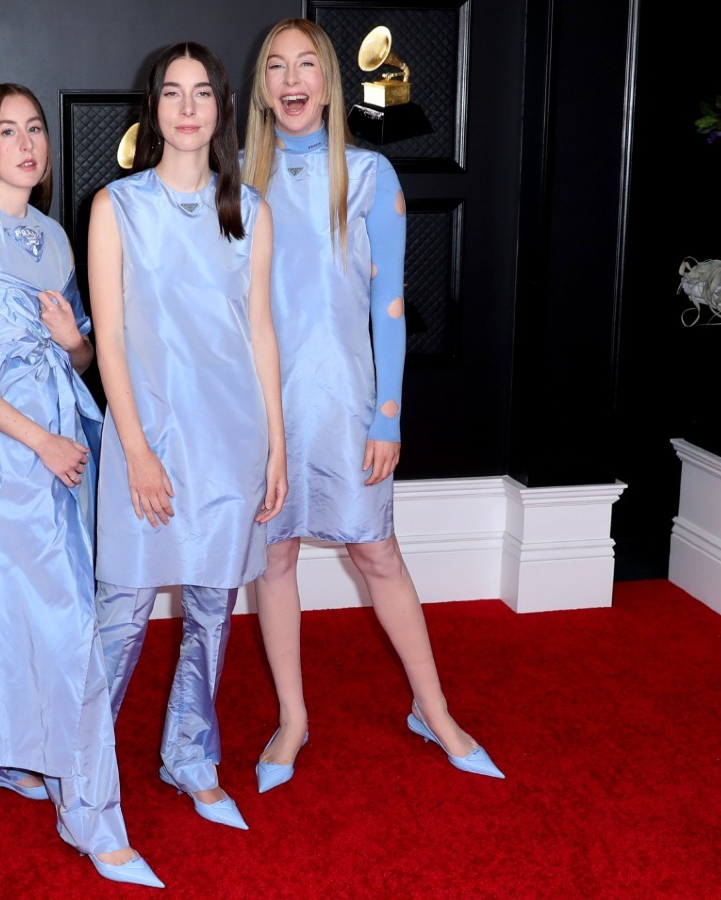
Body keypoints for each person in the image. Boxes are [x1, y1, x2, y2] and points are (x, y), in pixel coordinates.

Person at [0, 84, 163, 889]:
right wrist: (41, 440)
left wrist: (74, 340)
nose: (25, 143)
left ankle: (8, 756)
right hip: (6, 459)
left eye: (34, 129)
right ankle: (91, 814)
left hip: (64, 454)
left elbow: (81, 359)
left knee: (37, 615)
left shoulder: (54, 235)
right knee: (55, 623)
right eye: (5, 132)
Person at [240, 19, 503, 792]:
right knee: (275, 554)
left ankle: (435, 710)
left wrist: (387, 415)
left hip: (344, 400)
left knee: (378, 553)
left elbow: (390, 305)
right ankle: (293, 718)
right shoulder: (235, 180)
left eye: (306, 66)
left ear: (328, 81)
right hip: (261, 408)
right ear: (262, 87)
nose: (291, 79)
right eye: (276, 66)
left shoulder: (371, 175)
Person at [88, 42, 287, 832]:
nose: (187, 107)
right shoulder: (117, 207)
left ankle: (190, 755)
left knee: (212, 606)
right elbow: (108, 342)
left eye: (202, 93)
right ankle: (81, 763)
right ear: (155, 107)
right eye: (172, 93)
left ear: (220, 108)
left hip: (231, 439)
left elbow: (262, 335)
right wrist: (134, 447)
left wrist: (275, 444)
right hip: (150, 436)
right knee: (123, 612)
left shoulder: (254, 210)